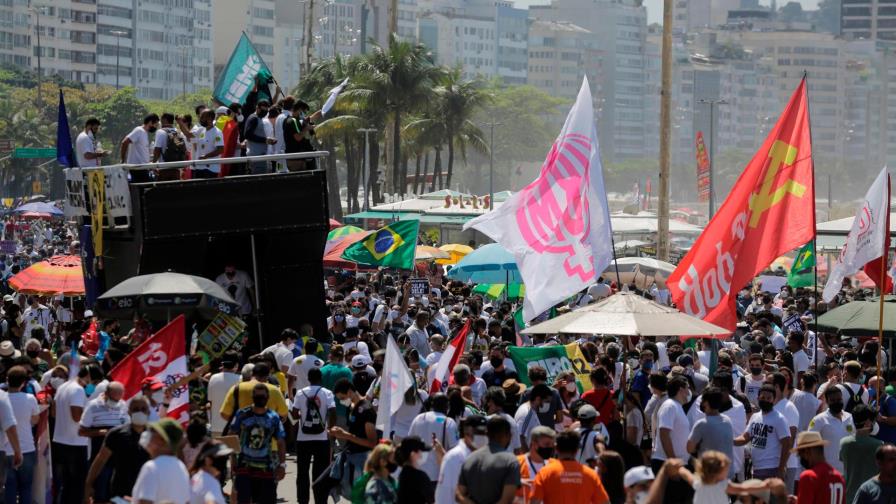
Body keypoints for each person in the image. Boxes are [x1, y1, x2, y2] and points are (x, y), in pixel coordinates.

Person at [84, 396, 151, 502]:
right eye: (135, 409)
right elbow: (100, 460)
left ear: (148, 412)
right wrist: (88, 485)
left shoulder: (156, 435)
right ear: (129, 412)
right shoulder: (116, 434)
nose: (139, 412)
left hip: (147, 493)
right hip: (120, 492)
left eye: (143, 409)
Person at [229, 383, 287, 504]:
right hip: (244, 468)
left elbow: (281, 442)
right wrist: (233, 460)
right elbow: (231, 436)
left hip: (266, 469)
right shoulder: (242, 414)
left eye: (263, 396)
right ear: (253, 397)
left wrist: (282, 465)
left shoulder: (273, 417)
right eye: (257, 396)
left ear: (267, 398)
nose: (260, 399)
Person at [529, 429, 610, 504]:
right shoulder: (591, 475)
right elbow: (604, 502)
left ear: (556, 449)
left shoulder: (545, 473)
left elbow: (534, 502)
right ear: (577, 450)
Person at [292, 367, 335, 504]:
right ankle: (320, 500)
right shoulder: (327, 393)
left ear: (308, 379)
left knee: (302, 472)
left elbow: (294, 414)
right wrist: (330, 429)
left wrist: (302, 416)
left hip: (303, 438)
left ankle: (303, 500)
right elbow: (332, 411)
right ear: (320, 378)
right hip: (322, 438)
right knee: (320, 472)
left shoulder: (300, 393)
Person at [456, 415, 520, 504]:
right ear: (508, 436)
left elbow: (459, 495)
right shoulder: (510, 461)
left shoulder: (470, 458)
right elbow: (507, 500)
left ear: (487, 434)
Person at [734, 385, 791, 480]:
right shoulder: (754, 417)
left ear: (773, 400)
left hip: (772, 469)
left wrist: (781, 469)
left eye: (769, 398)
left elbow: (787, 444)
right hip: (756, 469)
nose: (766, 400)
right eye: (763, 397)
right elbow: (745, 438)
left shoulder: (779, 419)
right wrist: (729, 440)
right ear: (758, 398)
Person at [130, 418, 191, 504]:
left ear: (162, 440)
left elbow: (145, 502)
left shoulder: (151, 467)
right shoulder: (181, 467)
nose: (148, 434)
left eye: (153, 431)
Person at [408, 393, 458, 492]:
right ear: (447, 406)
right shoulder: (449, 422)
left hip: (417, 472)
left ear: (432, 405)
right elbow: (454, 450)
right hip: (437, 475)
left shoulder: (418, 418)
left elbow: (409, 442)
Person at [53, 368, 88, 504]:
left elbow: (53, 413)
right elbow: (76, 416)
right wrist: (90, 414)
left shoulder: (62, 387)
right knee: (76, 485)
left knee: (65, 483)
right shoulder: (78, 390)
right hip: (75, 443)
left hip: (60, 440)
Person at [436, 415, 488, 504]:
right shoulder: (454, 458)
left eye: (485, 433)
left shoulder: (485, 454)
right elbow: (443, 496)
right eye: (478, 432)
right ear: (466, 432)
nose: (482, 436)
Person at [4, 366, 37, 504]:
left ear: (7, 380)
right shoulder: (30, 398)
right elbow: (35, 420)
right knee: (26, 486)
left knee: (9, 486)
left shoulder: (1, 400)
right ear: (24, 383)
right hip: (27, 448)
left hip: (5, 449)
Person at [219, 362, 288, 427]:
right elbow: (284, 415)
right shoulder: (274, 390)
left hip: (241, 436)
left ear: (252, 373)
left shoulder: (237, 388)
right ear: (267, 376)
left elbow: (224, 413)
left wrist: (240, 424)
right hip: (267, 437)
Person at [687, 387, 734, 478]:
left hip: (710, 477)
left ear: (706, 403)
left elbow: (689, 449)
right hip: (727, 474)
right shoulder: (727, 421)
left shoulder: (701, 424)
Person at [840, 404, 882, 504]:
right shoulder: (879, 445)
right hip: (871, 498)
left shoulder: (844, 443)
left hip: (849, 498)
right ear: (868, 423)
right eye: (873, 421)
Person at [808, 386, 854, 474]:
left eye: (839, 399)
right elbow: (810, 445)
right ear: (827, 401)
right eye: (833, 400)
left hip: (848, 471)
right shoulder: (818, 420)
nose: (837, 402)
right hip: (827, 472)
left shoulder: (850, 417)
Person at [792, 431, 845, 504]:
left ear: (807, 452)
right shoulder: (839, 477)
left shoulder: (808, 476)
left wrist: (781, 497)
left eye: (800, 455)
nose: (801, 459)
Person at [517, 425, 556, 502]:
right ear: (534, 444)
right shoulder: (516, 463)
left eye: (552, 445)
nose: (550, 448)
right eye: (547, 444)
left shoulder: (555, 465)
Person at [207, 352, 241, 435]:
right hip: (234, 428)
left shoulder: (213, 378)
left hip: (216, 427)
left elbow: (210, 403)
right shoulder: (241, 379)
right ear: (236, 365)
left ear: (223, 364)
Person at [120, 114, 160, 182]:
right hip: (137, 169)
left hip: (143, 168)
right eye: (155, 125)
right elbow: (125, 142)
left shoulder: (144, 133)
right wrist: (123, 160)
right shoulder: (139, 130)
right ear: (150, 122)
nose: (155, 127)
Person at [395, 435, 434, 503]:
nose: (423, 455)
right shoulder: (421, 477)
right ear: (413, 454)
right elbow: (433, 500)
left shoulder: (402, 474)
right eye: (421, 451)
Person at [244, 100, 277, 174]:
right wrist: (265, 140)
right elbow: (248, 135)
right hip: (257, 155)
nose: (264, 112)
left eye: (266, 110)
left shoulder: (258, 118)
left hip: (259, 155)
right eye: (263, 110)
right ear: (257, 108)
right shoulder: (254, 118)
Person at [189, 109, 224, 179]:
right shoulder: (201, 130)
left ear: (210, 119)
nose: (200, 119)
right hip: (199, 167)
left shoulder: (217, 132)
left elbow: (220, 150)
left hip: (210, 169)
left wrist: (206, 156)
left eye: (202, 117)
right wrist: (180, 123)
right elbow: (188, 135)